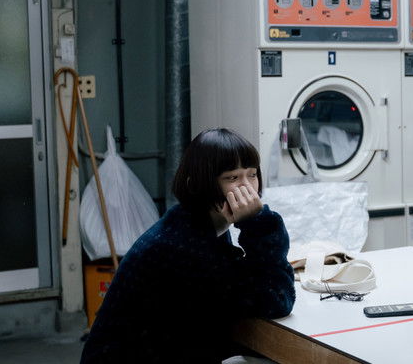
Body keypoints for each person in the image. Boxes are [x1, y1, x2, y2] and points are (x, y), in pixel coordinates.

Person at [81, 128, 296, 363]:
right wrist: (258, 223)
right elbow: (277, 300)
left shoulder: (191, 223)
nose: (248, 189)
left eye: (252, 174)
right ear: (200, 184)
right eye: (232, 178)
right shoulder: (184, 249)